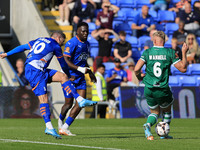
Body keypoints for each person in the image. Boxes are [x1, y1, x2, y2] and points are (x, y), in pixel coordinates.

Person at [0, 31, 97, 139]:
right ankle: (49, 127)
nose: (62, 44)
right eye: (62, 41)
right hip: (35, 71)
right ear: (58, 38)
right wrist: (69, 74)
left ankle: (79, 99)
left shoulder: (39, 39)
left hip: (39, 69)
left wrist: (7, 53)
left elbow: (22, 47)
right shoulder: (55, 45)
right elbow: (63, 64)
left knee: (62, 77)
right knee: (43, 98)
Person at [134, 31, 189, 140]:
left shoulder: (147, 52)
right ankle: (164, 135)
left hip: (149, 88)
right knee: (167, 110)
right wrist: (184, 52)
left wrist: (140, 77)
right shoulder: (170, 52)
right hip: (162, 89)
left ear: (154, 41)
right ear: (164, 41)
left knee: (154, 112)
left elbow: (136, 69)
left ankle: (148, 125)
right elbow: (183, 69)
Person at [58, 22, 97, 136]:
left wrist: (90, 72)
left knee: (81, 102)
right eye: (83, 31)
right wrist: (79, 69)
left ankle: (65, 127)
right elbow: (65, 60)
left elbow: (83, 61)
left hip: (80, 77)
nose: (85, 33)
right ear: (77, 32)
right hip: (69, 77)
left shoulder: (87, 44)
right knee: (68, 104)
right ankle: (60, 121)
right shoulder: (72, 43)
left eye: (87, 31)